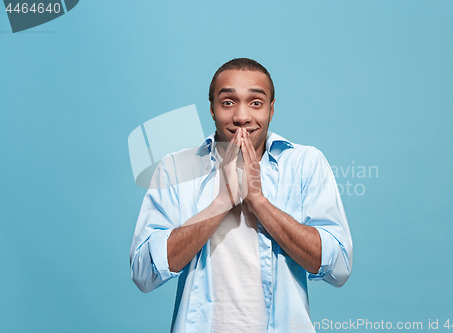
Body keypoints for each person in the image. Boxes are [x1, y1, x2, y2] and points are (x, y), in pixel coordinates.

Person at [129, 58, 353, 333]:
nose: (242, 117)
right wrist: (221, 202)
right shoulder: (176, 168)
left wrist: (258, 201)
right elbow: (143, 274)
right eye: (228, 102)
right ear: (211, 109)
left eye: (256, 103)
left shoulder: (306, 163)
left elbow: (339, 268)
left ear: (271, 109)